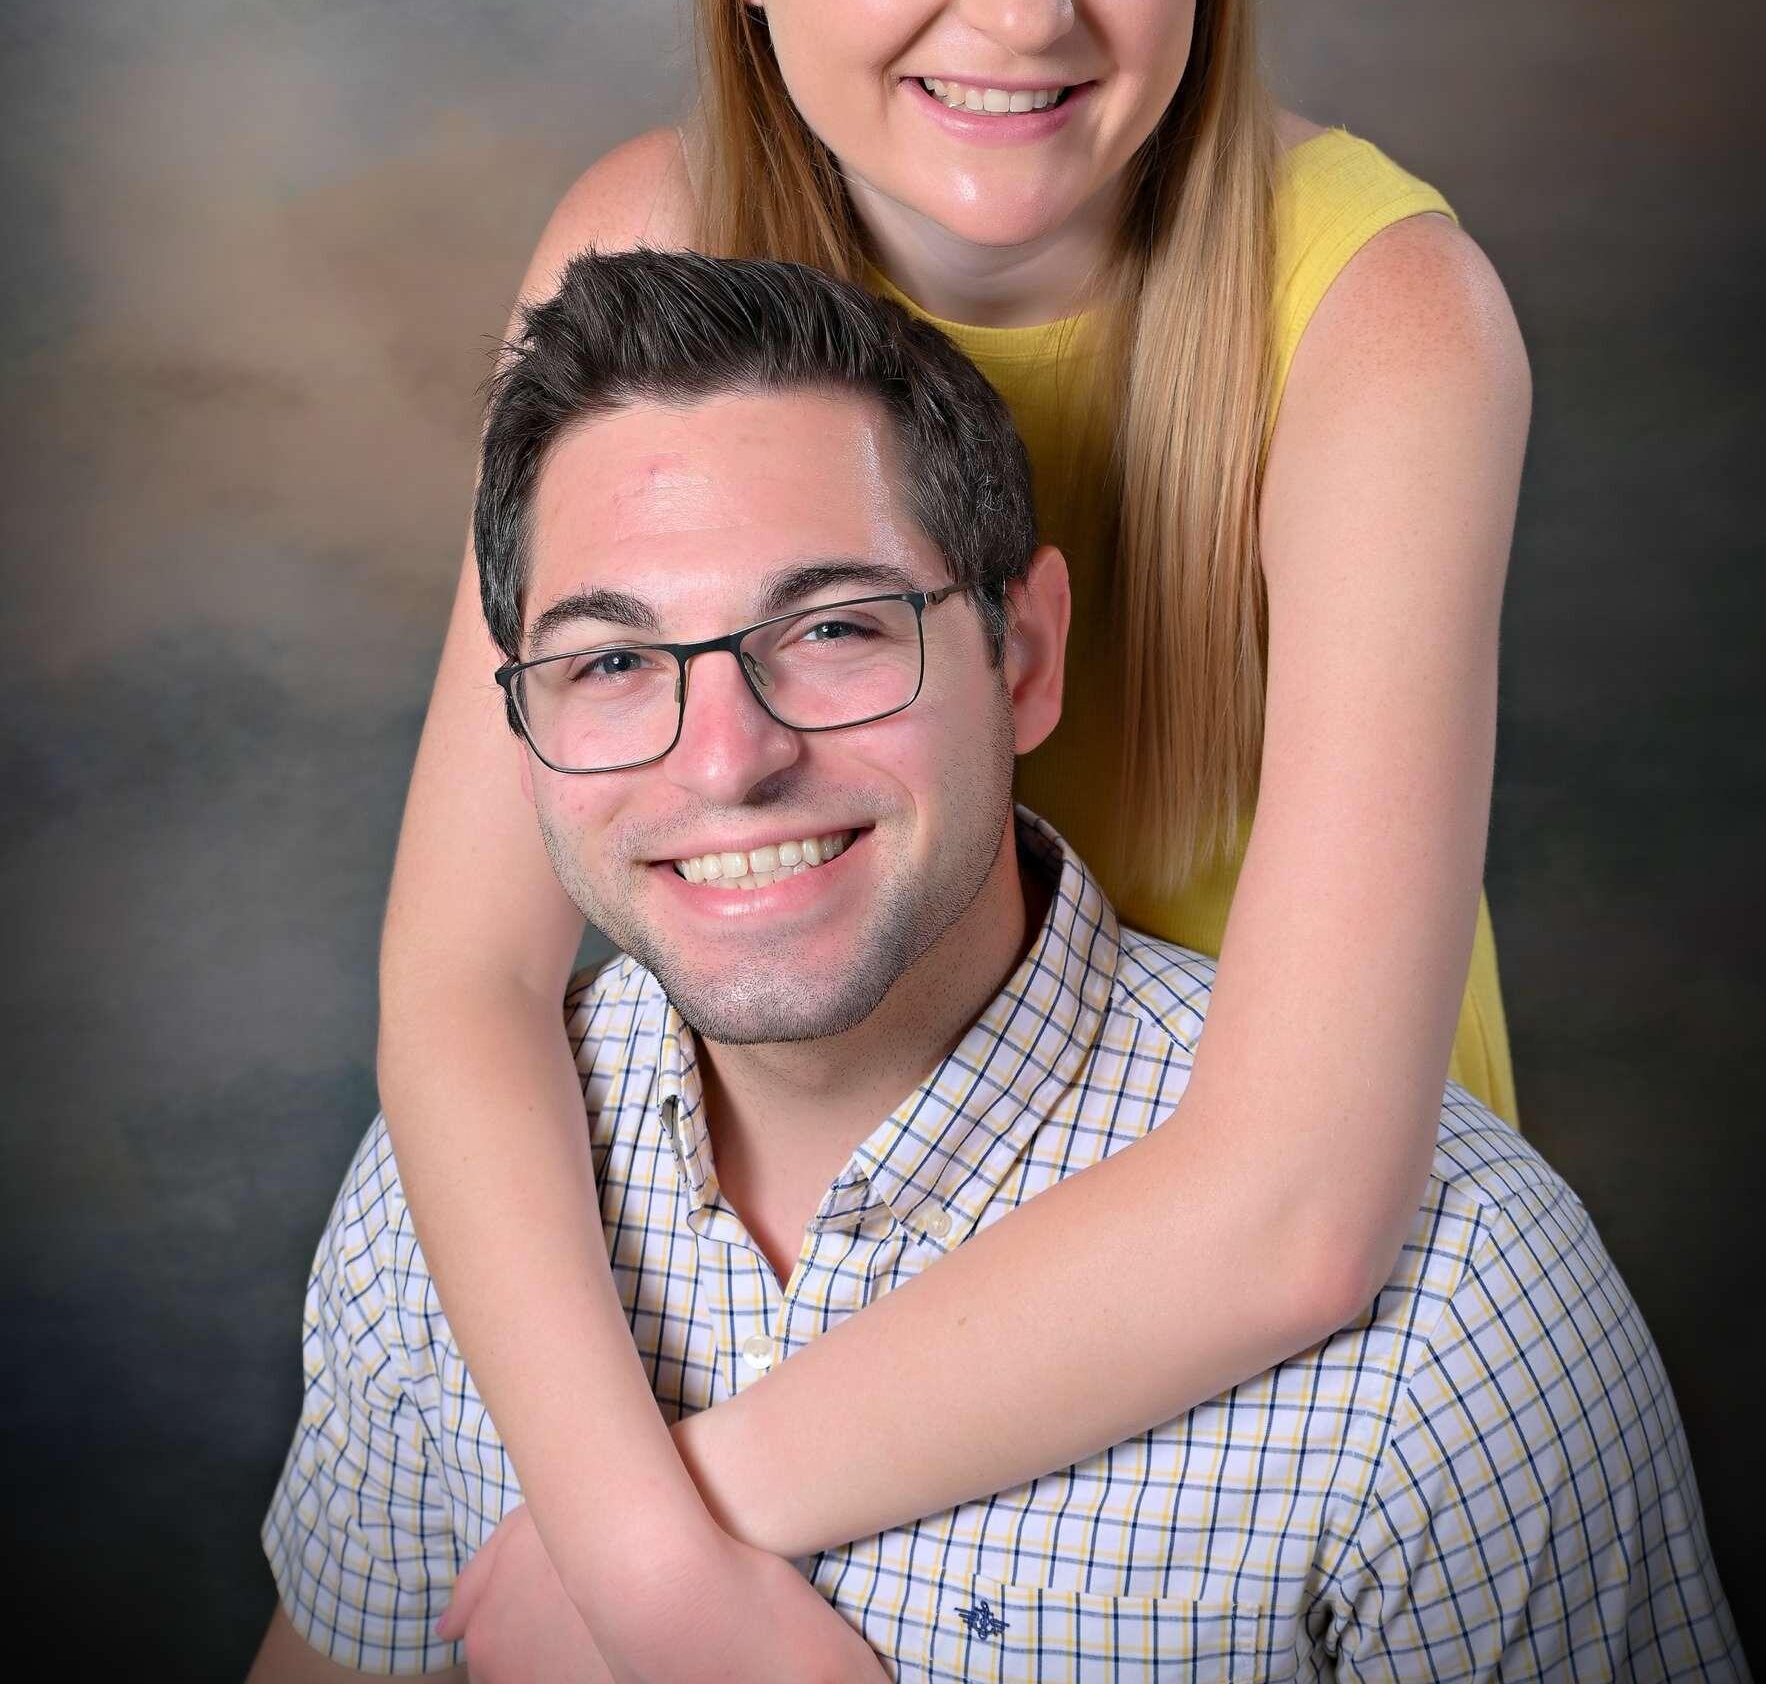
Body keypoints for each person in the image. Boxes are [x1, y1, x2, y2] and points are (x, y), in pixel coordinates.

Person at [376, 0, 1539, 1673]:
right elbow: (460, 984)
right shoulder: (637, 248)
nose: (1021, 9)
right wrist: (649, 1545)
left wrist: (648, 1560)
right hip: (802, 1226)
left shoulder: (1379, 320)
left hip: (1231, 1355)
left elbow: (1292, 1217)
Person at [251, 252, 1742, 1681]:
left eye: (833, 628)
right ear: (520, 727)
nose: (728, 759)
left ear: (1019, 657)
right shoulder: (440, 1202)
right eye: (612, 663)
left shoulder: (1458, 1315)